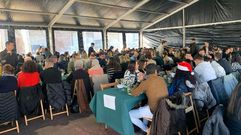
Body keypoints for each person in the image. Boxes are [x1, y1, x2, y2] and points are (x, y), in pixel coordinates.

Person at [129, 64, 168, 133]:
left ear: (146, 72)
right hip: (166, 109)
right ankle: (144, 129)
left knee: (130, 114)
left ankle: (146, 130)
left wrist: (139, 81)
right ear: (156, 71)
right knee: (145, 106)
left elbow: (133, 93)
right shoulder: (161, 79)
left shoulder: (146, 82)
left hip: (155, 111)